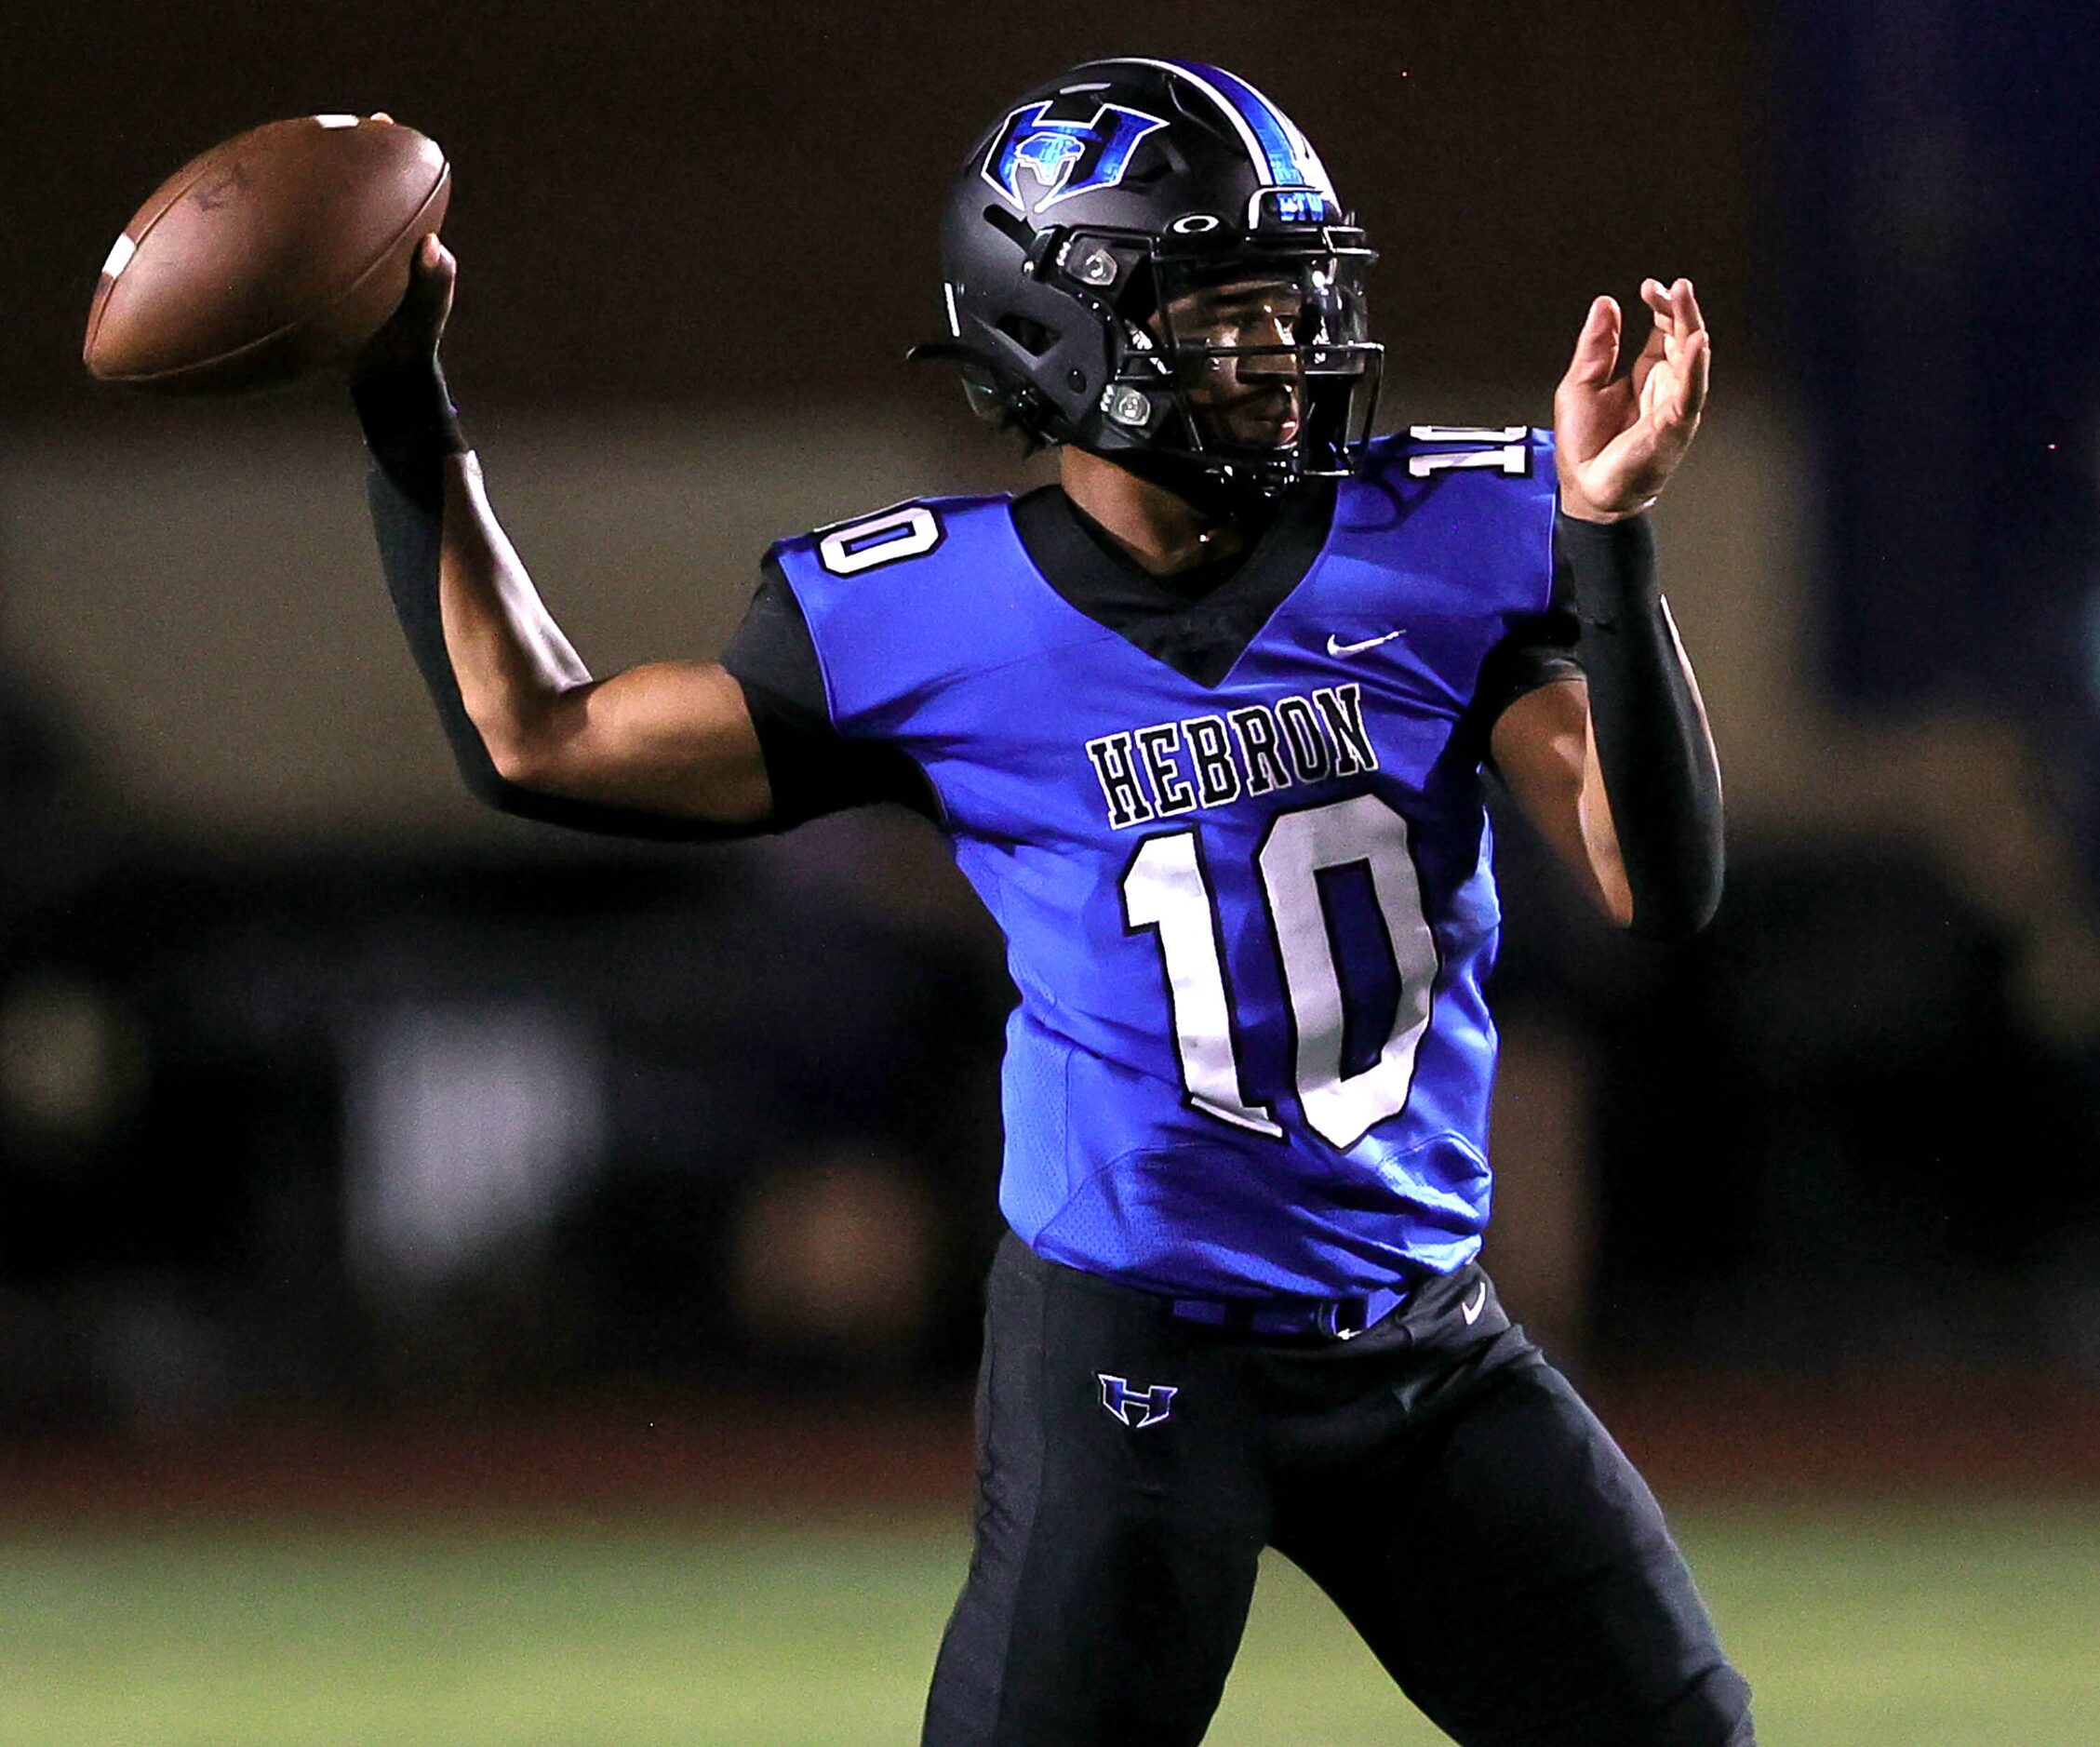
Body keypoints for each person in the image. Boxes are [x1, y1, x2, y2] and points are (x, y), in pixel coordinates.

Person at [348, 58, 1748, 1747]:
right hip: (1133, 1351)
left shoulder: (1443, 540)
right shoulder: (923, 615)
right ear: (1062, 331)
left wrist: (1605, 540)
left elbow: (1655, 881)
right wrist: (398, 405)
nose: (1285, 353)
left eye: (1292, 304)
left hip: (1421, 1338)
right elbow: (537, 736)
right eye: (1228, 314)